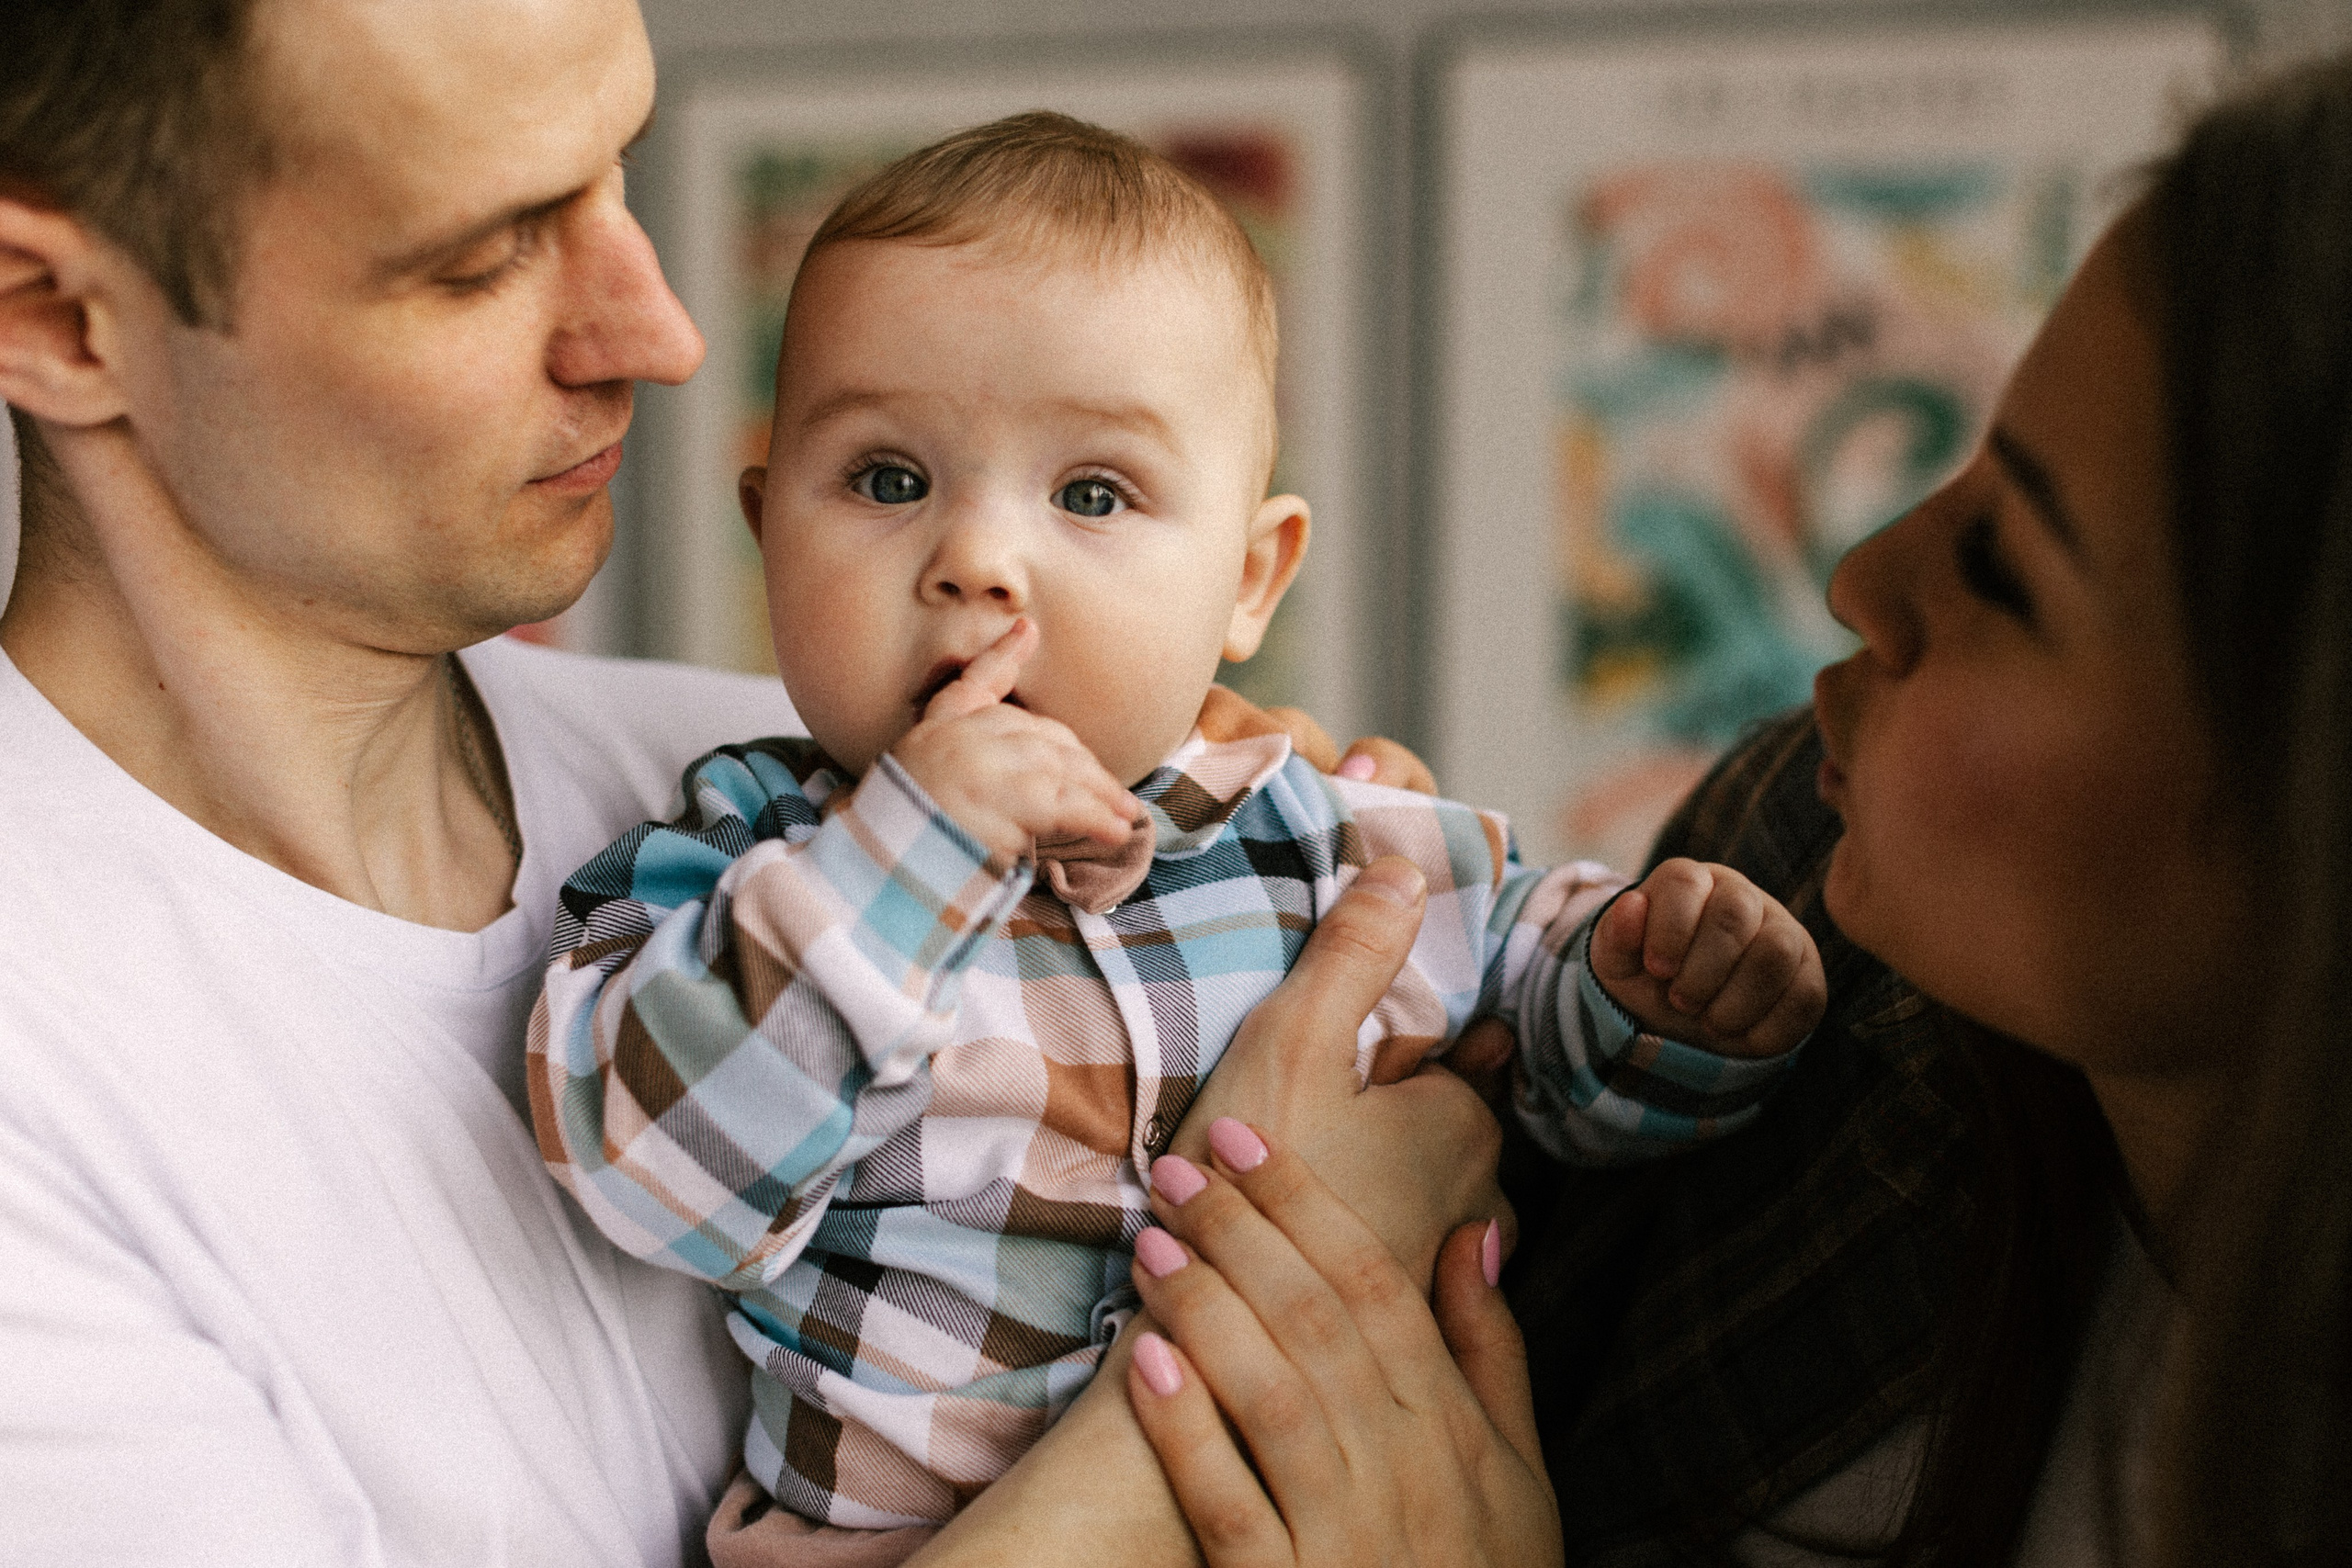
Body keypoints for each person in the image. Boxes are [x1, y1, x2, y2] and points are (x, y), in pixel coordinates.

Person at [0, 3, 1479, 1563]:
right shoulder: (39, 1108)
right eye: (487, 251)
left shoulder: (815, 793)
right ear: (58, 317)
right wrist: (1284, 1262)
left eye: (613, 174)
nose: (661, 333)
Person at [1099, 51, 2352, 1568]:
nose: (1866, 579)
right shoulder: (1810, 881)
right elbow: (1486, 1214)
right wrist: (1272, 943)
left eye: (2013, 571)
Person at [528, 111, 1826, 1545]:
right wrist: (916, 848)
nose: (975, 561)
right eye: (888, 481)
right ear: (771, 531)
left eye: (1092, 492)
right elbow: (653, 1175)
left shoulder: (1342, 842)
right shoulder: (741, 857)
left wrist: (1663, 996)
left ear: (1251, 580)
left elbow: (1561, 1072)